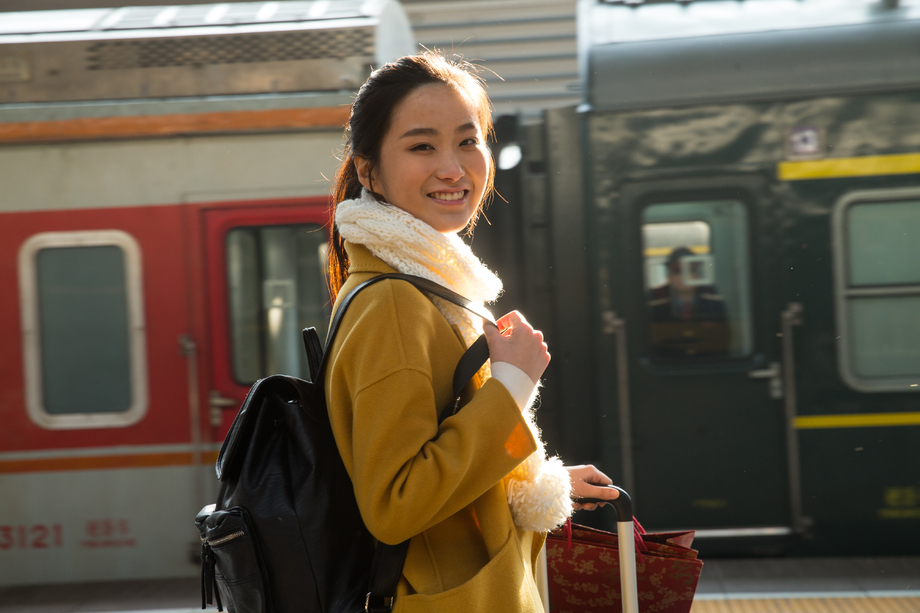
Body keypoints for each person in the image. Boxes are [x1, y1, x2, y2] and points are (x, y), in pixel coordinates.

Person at [323, 52, 620, 612]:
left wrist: (528, 481)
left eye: (467, 141)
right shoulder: (393, 301)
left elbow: (446, 465)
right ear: (368, 171)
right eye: (421, 146)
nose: (454, 168)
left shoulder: (422, 287)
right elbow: (398, 505)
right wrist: (512, 386)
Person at [647, 246, 726, 322]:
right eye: (678, 271)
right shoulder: (654, 299)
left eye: (690, 270)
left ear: (698, 275)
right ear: (669, 275)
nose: (684, 277)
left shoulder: (713, 299)